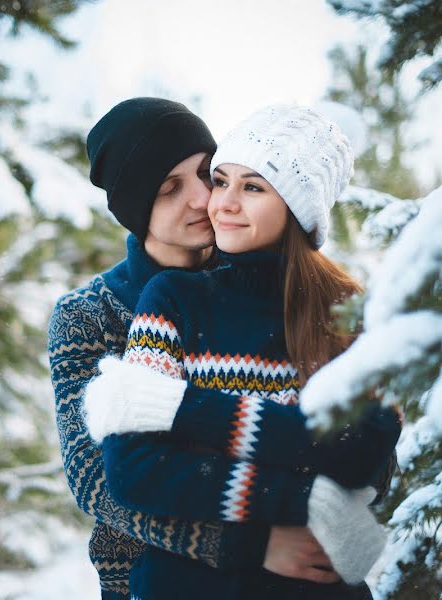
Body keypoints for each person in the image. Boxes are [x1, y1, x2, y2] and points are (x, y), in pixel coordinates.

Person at [47, 98, 373, 599]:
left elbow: (360, 442)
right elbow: (100, 480)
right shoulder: (89, 315)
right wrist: (251, 541)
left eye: (208, 174)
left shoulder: (268, 279)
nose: (203, 199)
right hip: (151, 577)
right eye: (170, 188)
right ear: (136, 207)